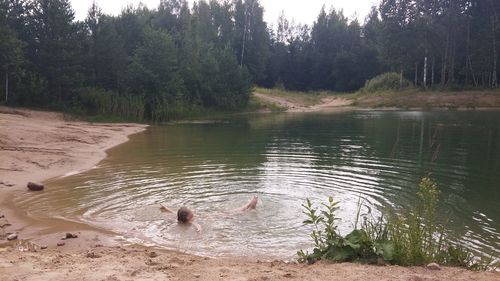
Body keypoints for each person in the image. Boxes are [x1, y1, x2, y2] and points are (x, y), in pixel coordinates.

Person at [160, 196, 258, 233]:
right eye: (191, 211)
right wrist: (199, 230)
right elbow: (197, 225)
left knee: (233, 212)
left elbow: (173, 212)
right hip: (216, 217)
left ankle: (249, 206)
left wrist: (166, 208)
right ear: (188, 216)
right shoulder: (190, 221)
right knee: (233, 213)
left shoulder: (180, 218)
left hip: (212, 215)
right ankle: (249, 205)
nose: (192, 211)